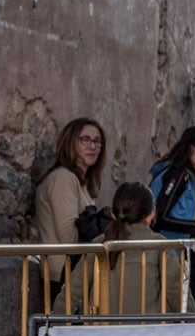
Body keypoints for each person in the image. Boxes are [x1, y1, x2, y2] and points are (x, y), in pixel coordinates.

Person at [150, 126, 195, 309]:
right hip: (162, 255)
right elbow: (158, 218)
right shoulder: (178, 173)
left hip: (173, 257)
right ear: (187, 145)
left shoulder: (189, 176)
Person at [36, 117, 107, 308]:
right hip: (62, 275)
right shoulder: (63, 179)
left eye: (97, 141)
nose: (92, 146)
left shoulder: (82, 182)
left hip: (76, 272)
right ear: (70, 142)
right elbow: (69, 235)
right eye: (85, 139)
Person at [89, 182, 171, 315]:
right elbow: (177, 290)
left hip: (102, 331)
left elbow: (74, 288)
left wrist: (55, 324)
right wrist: (193, 323)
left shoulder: (100, 244)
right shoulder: (160, 245)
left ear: (113, 214)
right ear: (151, 214)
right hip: (149, 330)